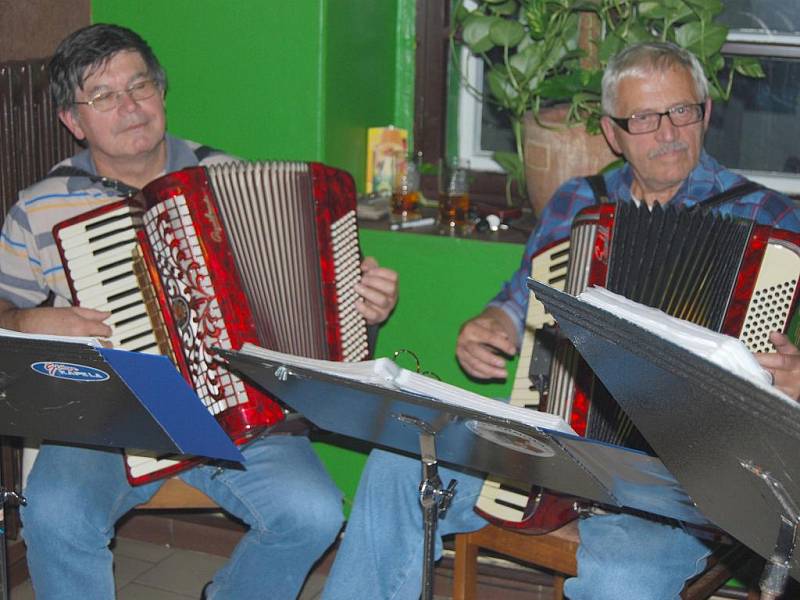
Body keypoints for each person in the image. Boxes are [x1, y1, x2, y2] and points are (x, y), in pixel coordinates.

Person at [322, 41, 800, 600]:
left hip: (682, 482)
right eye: (643, 118)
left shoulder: (768, 218)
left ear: (707, 113)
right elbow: (518, 298)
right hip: (556, 446)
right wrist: (494, 322)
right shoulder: (577, 202)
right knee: (401, 460)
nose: (668, 132)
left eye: (682, 111)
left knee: (623, 577)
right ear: (611, 132)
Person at [0, 24, 398, 600]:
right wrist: (27, 322)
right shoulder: (38, 206)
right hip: (111, 414)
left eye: (140, 86)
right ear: (73, 120)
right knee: (55, 515)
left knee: (312, 513)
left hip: (239, 407)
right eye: (104, 96)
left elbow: (314, 311)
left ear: (161, 92)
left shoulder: (232, 179)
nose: (130, 107)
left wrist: (366, 306)